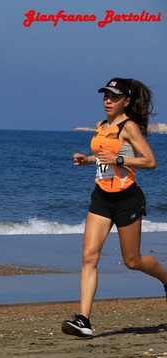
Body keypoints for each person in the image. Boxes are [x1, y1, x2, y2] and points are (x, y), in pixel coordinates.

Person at [62, 78, 167, 337]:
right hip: (101, 198)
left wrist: (119, 158)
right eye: (105, 96)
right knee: (89, 257)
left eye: (114, 96)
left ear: (126, 101)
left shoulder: (128, 127)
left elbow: (150, 161)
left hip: (127, 199)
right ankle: (83, 320)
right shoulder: (101, 126)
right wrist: (87, 160)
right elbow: (103, 158)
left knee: (132, 260)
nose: (108, 100)